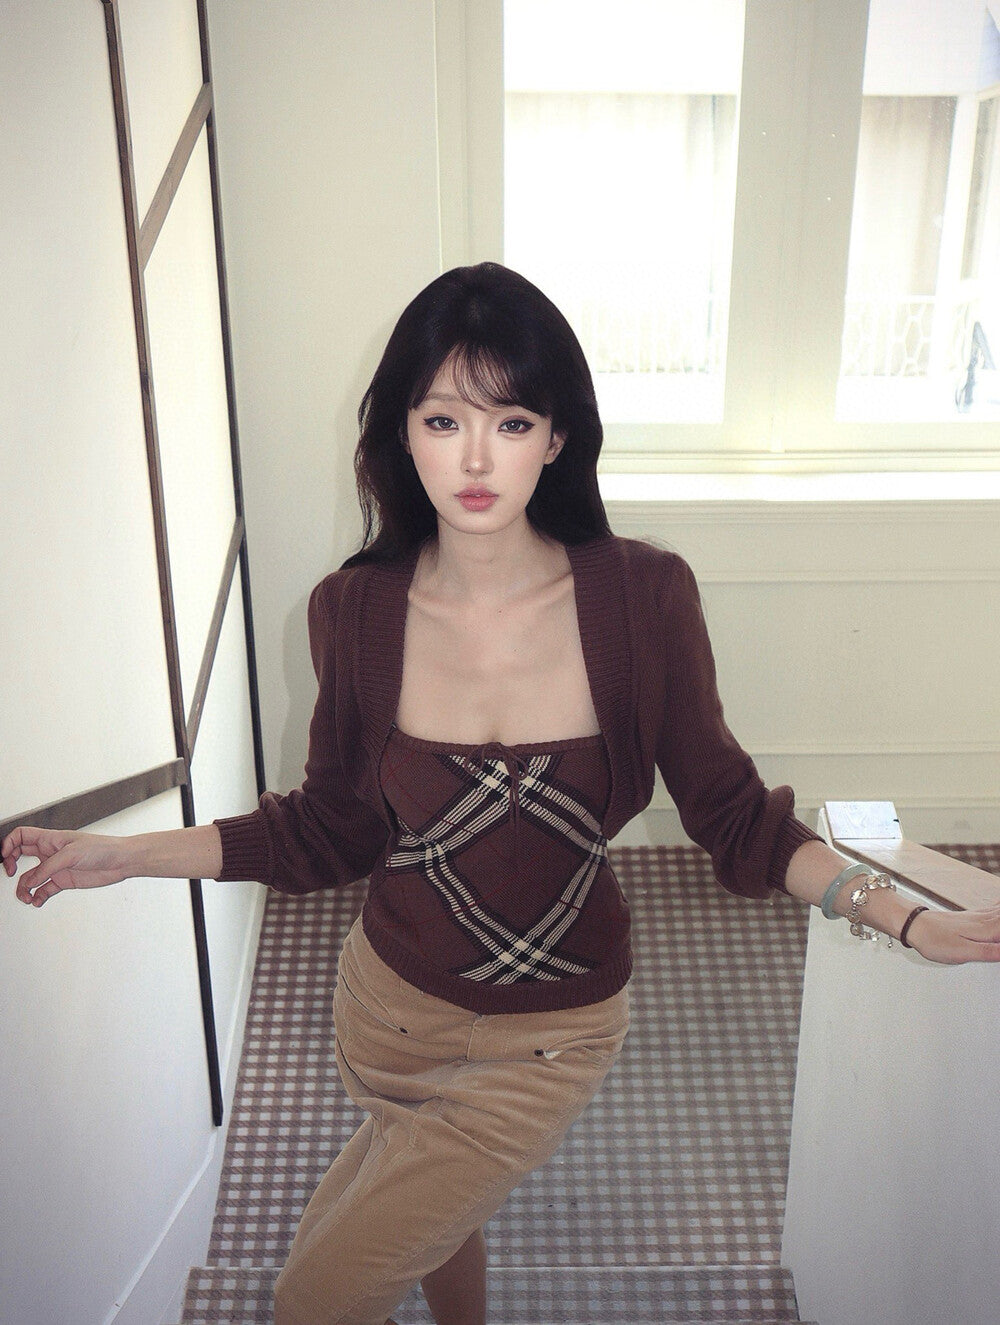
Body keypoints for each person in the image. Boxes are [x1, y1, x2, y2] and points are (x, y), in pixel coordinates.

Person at [5, 262, 1000, 1325]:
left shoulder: (642, 597)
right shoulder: (355, 610)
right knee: (439, 1220)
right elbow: (328, 828)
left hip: (554, 1030)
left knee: (314, 1293)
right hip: (388, 1009)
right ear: (402, 433)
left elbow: (734, 815)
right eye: (443, 420)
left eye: (511, 422)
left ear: (557, 437)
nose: (475, 459)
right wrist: (125, 855)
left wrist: (905, 917)